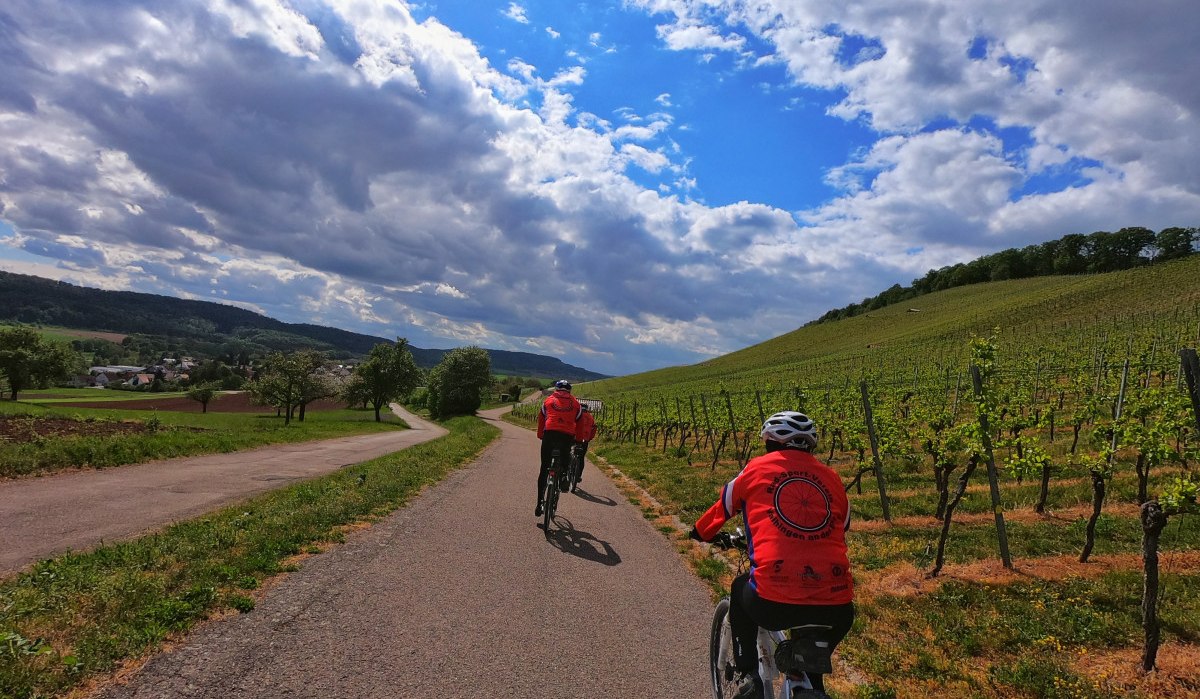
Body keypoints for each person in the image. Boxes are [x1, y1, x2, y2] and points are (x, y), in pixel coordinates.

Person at [688, 411, 854, 699]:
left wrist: (700, 532)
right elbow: (843, 524)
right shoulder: (833, 478)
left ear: (770, 442)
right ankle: (807, 681)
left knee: (741, 588)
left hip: (772, 602)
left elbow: (723, 506)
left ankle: (749, 675)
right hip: (838, 607)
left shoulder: (755, 469)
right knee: (808, 662)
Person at [535, 379, 582, 516]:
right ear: (569, 391)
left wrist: (540, 435)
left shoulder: (548, 401)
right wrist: (579, 441)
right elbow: (580, 423)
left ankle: (539, 504)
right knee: (565, 456)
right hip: (566, 436)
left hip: (549, 434)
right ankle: (563, 477)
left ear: (556, 389)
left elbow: (541, 419)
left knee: (544, 467)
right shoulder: (576, 404)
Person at [572, 403, 597, 485]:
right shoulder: (590, 417)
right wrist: (589, 438)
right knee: (581, 457)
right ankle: (578, 475)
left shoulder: (577, 414)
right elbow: (594, 428)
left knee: (569, 452)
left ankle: (567, 470)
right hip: (585, 440)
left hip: (575, 437)